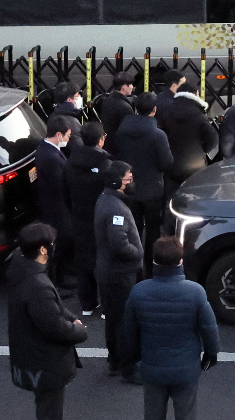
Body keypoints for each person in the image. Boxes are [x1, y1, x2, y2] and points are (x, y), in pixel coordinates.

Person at [122, 237, 221, 420]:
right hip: (186, 369)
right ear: (181, 261)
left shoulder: (139, 291)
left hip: (152, 369)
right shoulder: (196, 292)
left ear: (154, 261)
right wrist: (211, 354)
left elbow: (129, 331)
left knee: (153, 414)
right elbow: (209, 327)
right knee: (187, 414)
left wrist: (136, 356)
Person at [6, 223, 88, 420]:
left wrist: (68, 316)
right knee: (50, 411)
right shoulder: (38, 286)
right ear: (43, 249)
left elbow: (51, 308)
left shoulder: (19, 268)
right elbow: (54, 326)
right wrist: (79, 331)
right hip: (45, 363)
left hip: (29, 354)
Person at [95, 160, 145, 384]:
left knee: (113, 320)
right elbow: (119, 244)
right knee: (125, 322)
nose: (131, 179)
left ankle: (114, 360)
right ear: (117, 182)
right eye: (128, 177)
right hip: (120, 274)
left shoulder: (106, 199)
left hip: (108, 272)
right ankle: (129, 369)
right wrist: (138, 253)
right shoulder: (116, 208)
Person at [67, 122, 112, 316]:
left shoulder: (70, 162)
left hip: (78, 217)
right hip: (100, 218)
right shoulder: (105, 164)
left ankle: (87, 303)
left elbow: (64, 192)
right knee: (103, 261)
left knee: (83, 260)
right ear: (101, 140)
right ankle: (106, 305)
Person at [116, 93, 174, 242]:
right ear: (154, 109)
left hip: (128, 186)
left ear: (135, 108)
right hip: (152, 188)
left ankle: (135, 257)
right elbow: (166, 163)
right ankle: (150, 260)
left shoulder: (122, 130)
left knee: (133, 228)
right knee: (153, 229)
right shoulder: (158, 135)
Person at [158, 81, 218, 222]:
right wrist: (202, 150)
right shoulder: (199, 115)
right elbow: (213, 139)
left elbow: (160, 135)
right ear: (195, 94)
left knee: (172, 201)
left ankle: (171, 229)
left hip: (171, 164)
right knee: (194, 200)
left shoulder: (167, 111)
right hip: (194, 166)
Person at [35, 116, 79, 288]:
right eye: (67, 136)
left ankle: (62, 273)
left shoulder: (47, 148)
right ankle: (56, 279)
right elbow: (59, 184)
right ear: (59, 135)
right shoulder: (51, 157)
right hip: (56, 207)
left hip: (52, 205)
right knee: (59, 243)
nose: (68, 140)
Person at [97, 73, 137, 157]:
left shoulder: (106, 101)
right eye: (130, 84)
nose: (132, 87)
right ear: (124, 87)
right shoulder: (125, 107)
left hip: (107, 145)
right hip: (119, 149)